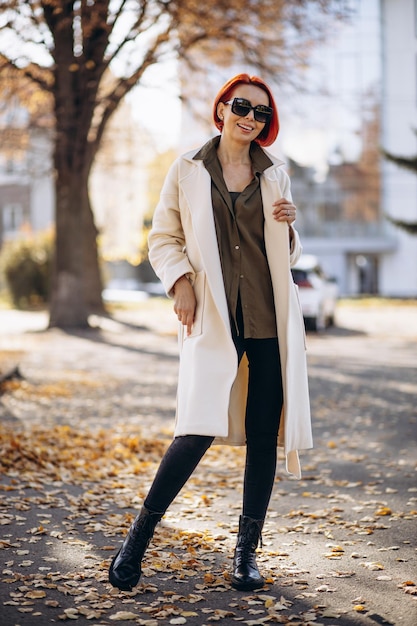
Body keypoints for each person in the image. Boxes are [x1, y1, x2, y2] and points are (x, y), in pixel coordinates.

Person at [109, 73, 312, 593]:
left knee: (263, 435)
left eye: (261, 112)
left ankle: (246, 554)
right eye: (241, 105)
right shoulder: (188, 169)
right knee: (195, 428)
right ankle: (137, 541)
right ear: (221, 108)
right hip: (215, 317)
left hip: (268, 318)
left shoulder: (275, 175)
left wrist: (289, 226)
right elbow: (163, 237)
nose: (250, 116)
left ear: (267, 124)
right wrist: (179, 282)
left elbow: (286, 253)